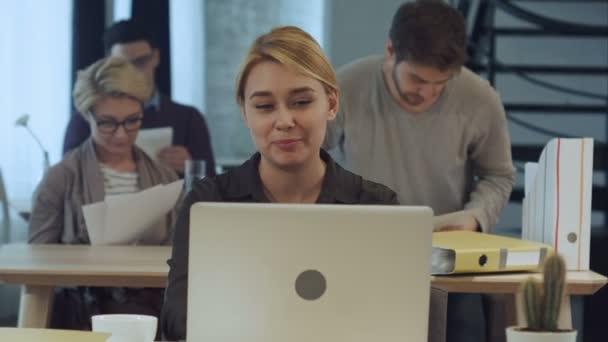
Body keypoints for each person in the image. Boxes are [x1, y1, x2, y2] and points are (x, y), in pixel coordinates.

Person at [161, 26, 400, 341]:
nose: (284, 120)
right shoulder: (210, 203)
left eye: (301, 102)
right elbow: (178, 320)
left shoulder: (376, 206)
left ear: (331, 104)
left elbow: (394, 320)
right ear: (245, 112)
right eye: (264, 106)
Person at [324, 1, 516, 341]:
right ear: (389, 50)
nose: (427, 92)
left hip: (449, 261)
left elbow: (498, 175)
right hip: (361, 255)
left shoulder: (480, 98)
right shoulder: (346, 87)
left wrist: (475, 216)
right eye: (417, 78)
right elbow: (306, 156)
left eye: (441, 82)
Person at [29, 56, 179, 333]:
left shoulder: (165, 178)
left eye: (132, 121)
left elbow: (178, 254)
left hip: (152, 309)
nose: (121, 135)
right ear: (86, 116)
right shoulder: (60, 178)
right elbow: (37, 262)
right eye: (108, 123)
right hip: (81, 311)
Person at [63, 20, 216, 177]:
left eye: (141, 62)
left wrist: (191, 166)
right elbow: (68, 176)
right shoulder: (87, 117)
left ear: (155, 57)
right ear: (109, 64)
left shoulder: (188, 118)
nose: (133, 72)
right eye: (123, 64)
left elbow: (212, 187)